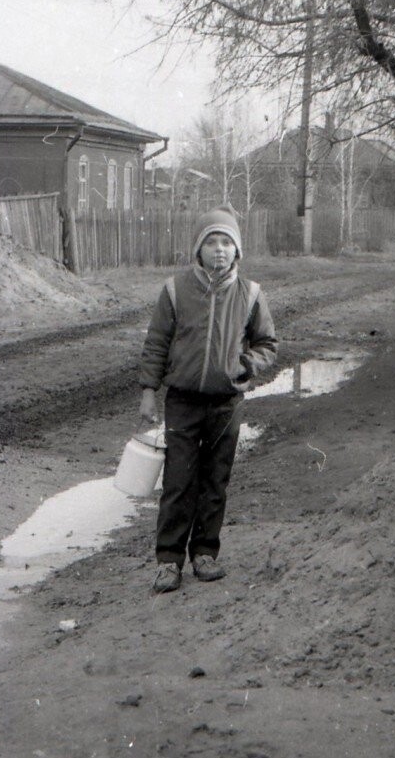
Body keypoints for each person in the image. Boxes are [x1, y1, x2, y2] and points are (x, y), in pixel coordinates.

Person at [138, 204, 277, 594]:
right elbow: (156, 344)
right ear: (198, 250)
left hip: (225, 403)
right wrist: (149, 392)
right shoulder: (174, 290)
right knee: (178, 480)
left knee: (215, 479)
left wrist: (243, 364)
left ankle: (204, 553)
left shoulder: (251, 294)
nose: (219, 250)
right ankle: (169, 562)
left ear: (237, 251)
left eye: (227, 242)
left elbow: (268, 343)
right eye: (211, 242)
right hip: (181, 400)